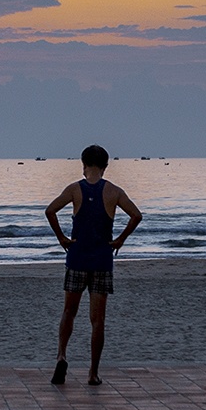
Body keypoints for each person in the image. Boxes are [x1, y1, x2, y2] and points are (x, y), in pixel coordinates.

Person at [44, 144, 142, 387]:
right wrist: (120, 239)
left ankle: (62, 355)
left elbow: (50, 211)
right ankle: (93, 373)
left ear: (83, 165)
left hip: (77, 258)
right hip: (102, 261)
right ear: (106, 167)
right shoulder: (114, 192)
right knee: (97, 320)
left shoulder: (75, 189)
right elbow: (136, 215)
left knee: (69, 312)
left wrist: (62, 238)